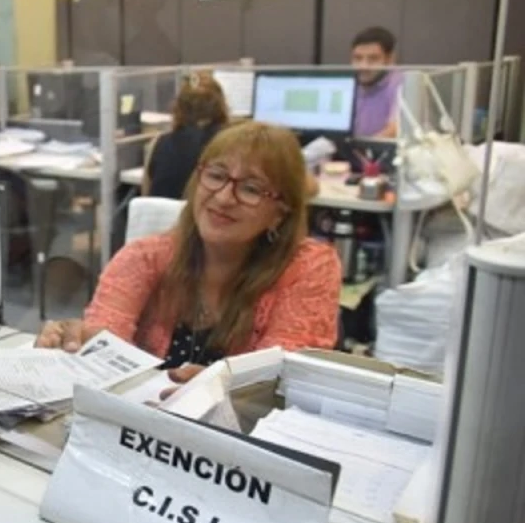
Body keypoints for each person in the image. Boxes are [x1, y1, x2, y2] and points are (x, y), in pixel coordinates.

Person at [39, 122, 341, 382]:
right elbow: (106, 334)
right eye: (216, 175)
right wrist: (78, 343)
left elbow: (281, 377)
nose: (223, 198)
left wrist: (219, 387)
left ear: (280, 212)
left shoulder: (309, 266)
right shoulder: (143, 257)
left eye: (250, 189)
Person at [143, 72, 229, 198]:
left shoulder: (159, 143)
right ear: (220, 106)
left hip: (162, 217)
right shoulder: (228, 145)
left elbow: (146, 195)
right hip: (196, 217)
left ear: (178, 107)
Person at [350, 26, 401, 138]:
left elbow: (395, 129)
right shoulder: (349, 84)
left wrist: (361, 148)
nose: (364, 66)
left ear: (389, 60)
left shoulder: (402, 84)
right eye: (358, 58)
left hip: (383, 153)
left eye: (373, 59)